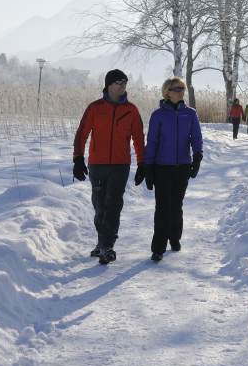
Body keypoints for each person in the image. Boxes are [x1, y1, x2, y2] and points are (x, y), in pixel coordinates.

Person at [72, 69, 145, 265]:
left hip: (120, 166)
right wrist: (78, 158)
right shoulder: (95, 108)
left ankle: (107, 246)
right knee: (99, 206)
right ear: (108, 85)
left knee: (113, 205)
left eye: (124, 83)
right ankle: (101, 242)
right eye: (118, 83)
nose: (122, 86)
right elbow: (82, 133)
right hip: (97, 164)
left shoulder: (131, 110)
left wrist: (142, 164)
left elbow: (138, 138)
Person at [142, 77, 203, 262]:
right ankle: (158, 248)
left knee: (176, 206)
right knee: (162, 208)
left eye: (183, 88)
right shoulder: (158, 115)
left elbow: (196, 137)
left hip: (182, 167)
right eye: (177, 88)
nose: (181, 91)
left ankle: (174, 238)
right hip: (162, 167)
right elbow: (152, 142)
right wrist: (148, 167)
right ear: (167, 91)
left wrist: (198, 156)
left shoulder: (190, 114)